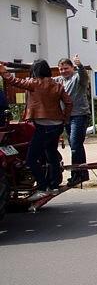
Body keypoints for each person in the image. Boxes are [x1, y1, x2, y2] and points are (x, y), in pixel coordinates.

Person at [0, 60, 72, 201]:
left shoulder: (34, 83)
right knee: (51, 155)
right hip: (57, 126)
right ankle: (54, 186)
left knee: (31, 159)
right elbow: (69, 103)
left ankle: (42, 187)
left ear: (35, 71)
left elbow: (13, 81)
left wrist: (3, 71)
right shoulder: (57, 85)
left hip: (43, 126)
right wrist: (65, 119)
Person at [55, 55, 91, 187]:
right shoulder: (58, 80)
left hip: (79, 115)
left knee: (75, 145)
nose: (64, 71)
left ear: (72, 68)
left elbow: (84, 77)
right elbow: (44, 82)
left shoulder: (77, 78)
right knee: (75, 146)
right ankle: (81, 173)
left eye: (66, 68)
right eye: (61, 69)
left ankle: (77, 174)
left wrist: (80, 66)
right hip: (67, 117)